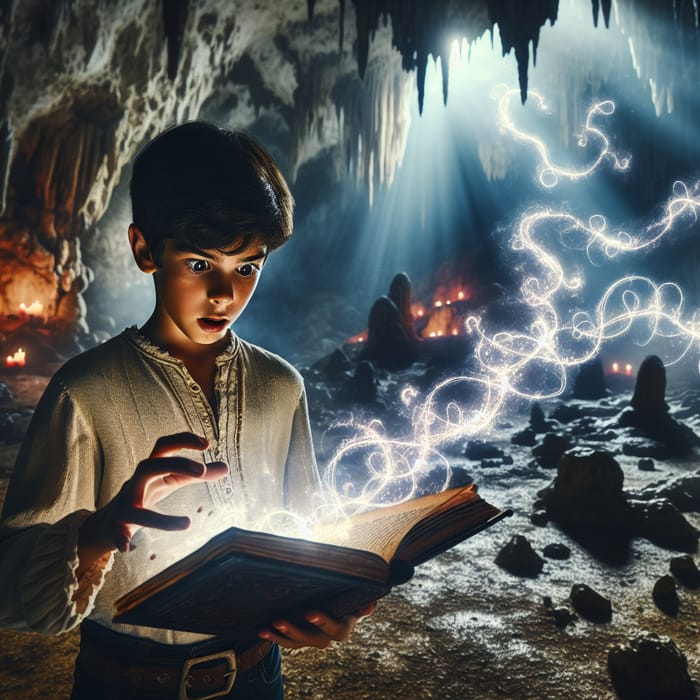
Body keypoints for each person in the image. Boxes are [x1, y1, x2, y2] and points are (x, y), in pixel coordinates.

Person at [0, 122, 374, 699]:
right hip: (122, 682)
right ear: (146, 249)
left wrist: (327, 608)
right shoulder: (86, 391)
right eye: (201, 264)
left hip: (257, 677)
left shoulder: (281, 386)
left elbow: (307, 535)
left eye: (247, 267)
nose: (225, 294)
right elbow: (10, 578)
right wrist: (97, 533)